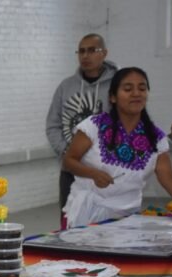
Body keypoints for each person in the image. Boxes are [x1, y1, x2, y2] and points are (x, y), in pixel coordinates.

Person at [61, 67, 172, 228]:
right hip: (86, 213)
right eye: (128, 89)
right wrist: (93, 173)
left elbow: (167, 177)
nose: (136, 93)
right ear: (113, 97)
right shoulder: (93, 125)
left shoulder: (156, 137)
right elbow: (69, 161)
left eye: (142, 88)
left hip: (127, 218)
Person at [46, 33, 118, 223]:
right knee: (69, 221)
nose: (86, 56)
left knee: (106, 224)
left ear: (104, 53)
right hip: (71, 170)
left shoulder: (117, 85)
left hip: (105, 170)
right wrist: (67, 153)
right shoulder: (66, 86)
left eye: (92, 50)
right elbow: (53, 125)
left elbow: (126, 124)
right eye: (82, 51)